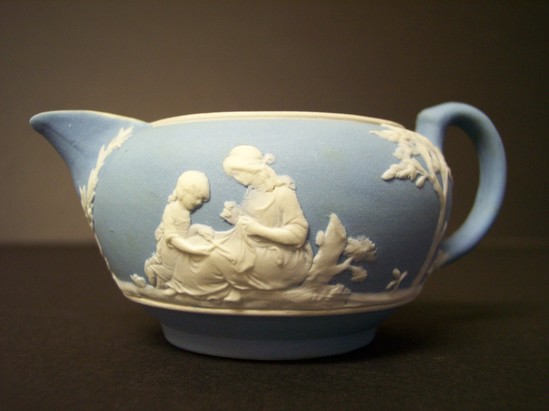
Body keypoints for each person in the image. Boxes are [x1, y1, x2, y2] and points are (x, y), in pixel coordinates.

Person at [144, 170, 213, 290]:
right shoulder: (171, 209)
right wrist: (192, 249)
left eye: (202, 200)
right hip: (171, 249)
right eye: (197, 198)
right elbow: (173, 238)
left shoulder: (185, 212)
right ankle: (153, 269)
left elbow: (185, 233)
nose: (199, 203)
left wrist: (197, 229)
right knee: (174, 272)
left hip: (181, 246)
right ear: (183, 192)